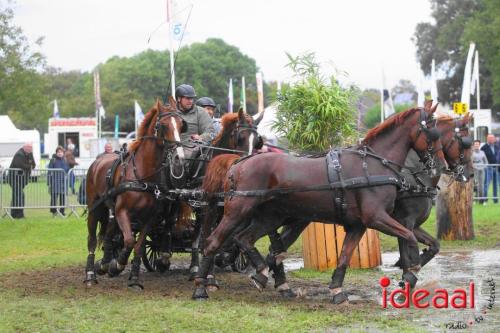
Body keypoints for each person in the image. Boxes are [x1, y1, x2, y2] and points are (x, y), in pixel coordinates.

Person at [8, 143, 36, 219]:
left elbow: (34, 165)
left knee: (16, 196)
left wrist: (29, 165)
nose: (30, 149)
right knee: (20, 195)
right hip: (14, 178)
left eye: (31, 147)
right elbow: (20, 165)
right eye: (28, 147)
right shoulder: (19, 154)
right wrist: (29, 166)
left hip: (21, 179)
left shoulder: (30, 154)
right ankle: (20, 215)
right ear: (24, 147)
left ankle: (14, 214)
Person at [48, 146, 70, 216]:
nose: (60, 153)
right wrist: (49, 182)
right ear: (56, 153)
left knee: (62, 197)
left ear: (63, 153)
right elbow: (49, 171)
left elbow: (68, 170)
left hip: (63, 182)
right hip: (55, 182)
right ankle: (53, 211)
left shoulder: (65, 160)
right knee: (54, 197)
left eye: (61, 152)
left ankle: (62, 211)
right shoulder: (53, 160)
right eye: (58, 152)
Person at [481, 134, 499, 204]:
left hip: (496, 168)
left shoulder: (497, 147)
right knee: (486, 184)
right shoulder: (484, 148)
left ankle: (495, 200)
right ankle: (485, 199)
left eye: (492, 138)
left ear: (494, 139)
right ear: (487, 139)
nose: (491, 139)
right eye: (490, 138)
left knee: (495, 185)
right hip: (488, 168)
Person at [472, 140, 488, 204]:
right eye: (475, 144)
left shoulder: (482, 152)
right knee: (476, 185)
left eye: (477, 144)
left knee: (481, 185)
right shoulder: (471, 153)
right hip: (475, 171)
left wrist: (483, 167)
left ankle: (481, 200)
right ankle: (475, 199)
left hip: (481, 171)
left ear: (479, 145)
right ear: (474, 145)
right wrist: (474, 166)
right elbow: (470, 162)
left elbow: (486, 162)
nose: (476, 145)